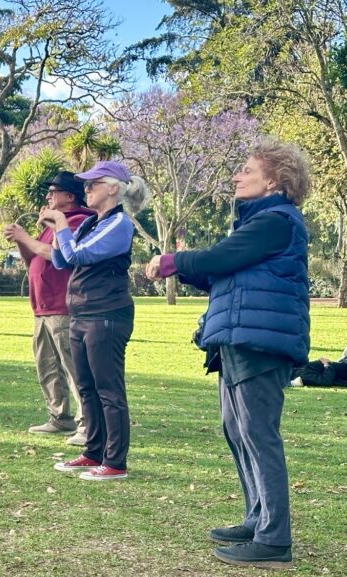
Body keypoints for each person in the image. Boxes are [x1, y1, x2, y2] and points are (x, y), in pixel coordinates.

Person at [146, 139, 309, 569]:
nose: (236, 176)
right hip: (237, 338)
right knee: (237, 432)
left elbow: (220, 258)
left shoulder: (277, 220)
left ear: (274, 180)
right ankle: (258, 519)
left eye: (247, 170)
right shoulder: (256, 225)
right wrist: (189, 269)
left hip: (259, 342)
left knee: (258, 435)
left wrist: (173, 261)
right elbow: (224, 275)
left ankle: (275, 540)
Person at [44, 160, 150, 481]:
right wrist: (56, 233)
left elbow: (79, 255)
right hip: (82, 313)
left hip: (106, 314)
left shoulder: (120, 224)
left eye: (92, 184)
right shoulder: (92, 223)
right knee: (86, 387)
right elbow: (63, 259)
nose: (85, 189)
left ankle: (115, 462)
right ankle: (93, 452)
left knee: (108, 388)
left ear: (113, 188)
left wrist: (62, 225)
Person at [5, 171, 96, 446]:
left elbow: (54, 254)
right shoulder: (51, 223)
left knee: (72, 367)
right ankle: (59, 417)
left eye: (53, 192)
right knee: (46, 365)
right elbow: (33, 256)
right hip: (41, 307)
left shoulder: (78, 221)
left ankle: (86, 424)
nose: (47, 196)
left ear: (70, 196)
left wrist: (27, 236)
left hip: (63, 305)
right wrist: (22, 240)